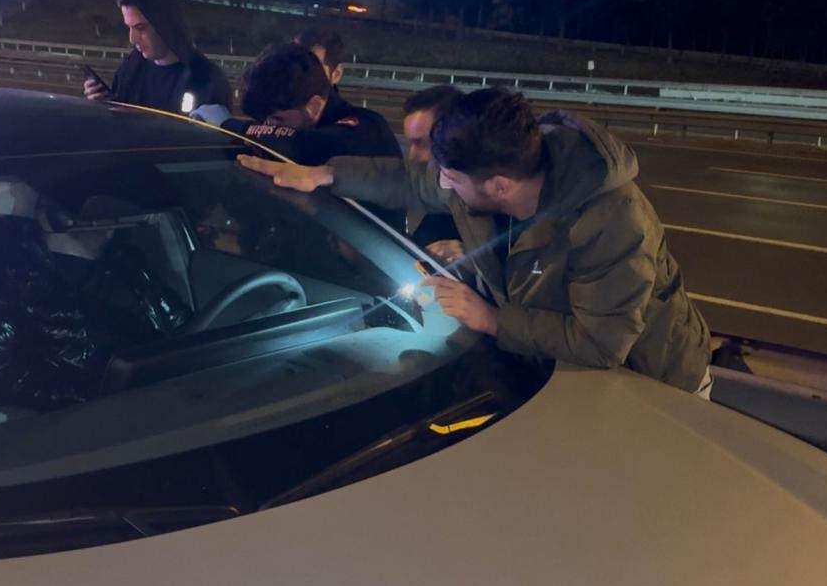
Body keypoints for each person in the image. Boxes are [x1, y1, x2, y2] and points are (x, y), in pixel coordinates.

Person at [237, 88, 713, 395]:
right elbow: (410, 182)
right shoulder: (494, 171)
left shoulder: (611, 220)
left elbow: (599, 343)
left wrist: (490, 318)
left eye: (451, 177)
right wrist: (324, 175)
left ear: (499, 186)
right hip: (561, 374)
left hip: (654, 385)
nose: (441, 183)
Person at [0, 181, 191, 411]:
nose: (108, 210)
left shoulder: (129, 266)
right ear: (51, 212)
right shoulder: (3, 281)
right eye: (93, 200)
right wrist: (101, 394)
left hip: (177, 412)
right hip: (91, 430)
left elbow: (187, 332)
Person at [223, 42, 402, 166]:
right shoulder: (302, 120)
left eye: (278, 119)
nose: (268, 127)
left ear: (314, 106)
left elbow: (304, 146)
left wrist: (231, 127)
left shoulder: (367, 129)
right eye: (263, 120)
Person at [82, 0, 231, 114]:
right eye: (129, 27)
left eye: (141, 28)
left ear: (165, 23)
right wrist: (103, 105)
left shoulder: (206, 80)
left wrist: (142, 119)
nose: (132, 39)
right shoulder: (131, 66)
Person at [400, 85, 462, 249]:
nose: (412, 156)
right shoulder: (430, 200)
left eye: (420, 143)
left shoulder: (492, 207)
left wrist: (473, 256)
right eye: (411, 144)